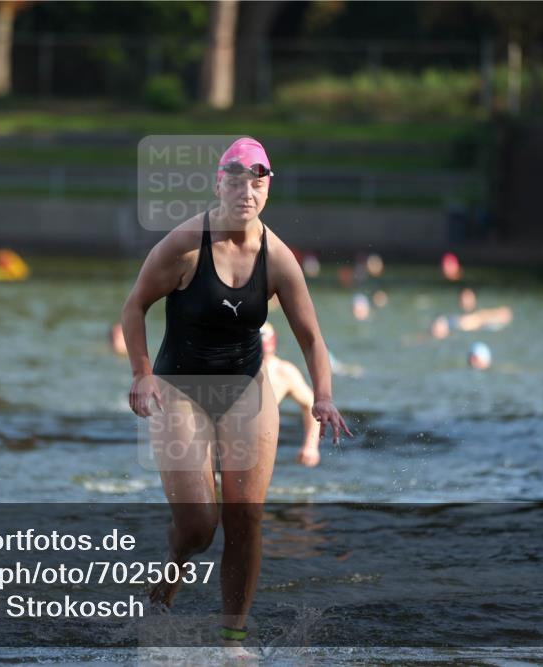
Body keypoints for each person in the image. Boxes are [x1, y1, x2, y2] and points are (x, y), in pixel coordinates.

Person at [121, 137, 350, 657]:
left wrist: (325, 396)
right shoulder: (184, 245)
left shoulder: (279, 258)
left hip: (247, 387)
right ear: (218, 183)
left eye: (258, 181)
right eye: (236, 180)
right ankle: (169, 576)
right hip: (180, 388)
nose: (246, 191)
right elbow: (134, 308)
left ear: (268, 188)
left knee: (245, 516)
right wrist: (140, 373)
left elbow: (312, 337)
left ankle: (233, 641)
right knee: (201, 525)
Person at [260, 323, 333, 467]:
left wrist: (311, 446)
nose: (264, 341)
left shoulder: (283, 372)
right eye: (260, 337)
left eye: (267, 337)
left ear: (273, 340)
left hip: (256, 449)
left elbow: (310, 404)